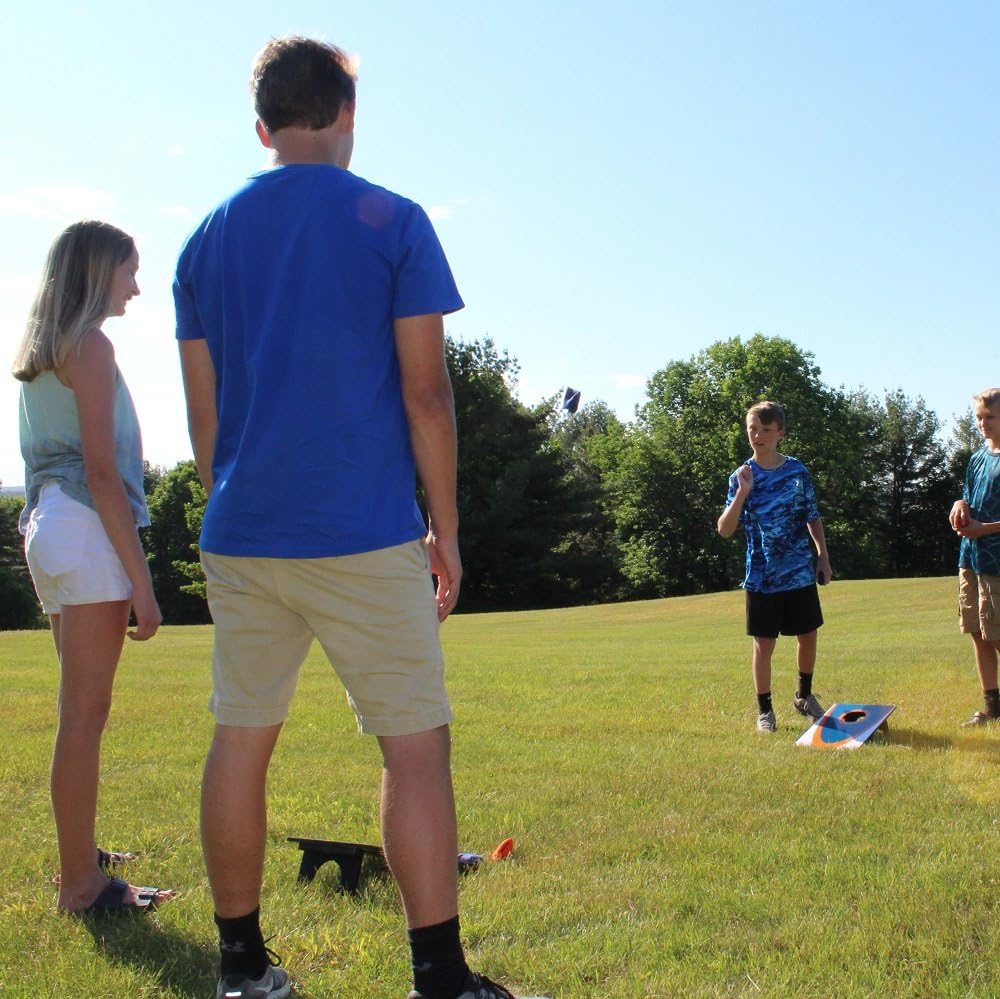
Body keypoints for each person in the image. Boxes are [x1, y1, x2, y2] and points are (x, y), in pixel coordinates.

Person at [173, 36, 549, 999]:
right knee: (413, 744)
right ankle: (439, 981)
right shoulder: (395, 220)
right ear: (347, 113)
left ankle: (240, 969)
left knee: (240, 738)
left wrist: (234, 503)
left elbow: (205, 416)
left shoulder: (203, 240)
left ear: (261, 126)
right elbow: (427, 398)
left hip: (241, 527)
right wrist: (448, 530)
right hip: (363, 527)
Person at [12, 220, 173, 914]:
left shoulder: (42, 350)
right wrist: (143, 585)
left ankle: (81, 855)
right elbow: (105, 475)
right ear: (97, 269)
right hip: (84, 529)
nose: (136, 285)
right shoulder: (92, 347)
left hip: (47, 528)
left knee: (75, 712)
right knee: (83, 715)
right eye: (128, 271)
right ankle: (81, 885)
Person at [717, 401, 833, 733]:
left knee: (808, 635)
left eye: (766, 430)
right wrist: (742, 493)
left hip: (798, 570)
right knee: (764, 644)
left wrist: (823, 557)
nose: (758, 435)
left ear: (780, 433)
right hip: (761, 576)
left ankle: (804, 696)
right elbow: (725, 530)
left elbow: (812, 516)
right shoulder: (741, 476)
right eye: (753, 429)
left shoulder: (797, 471)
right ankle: (765, 711)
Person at [948, 387, 1000, 727]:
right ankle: (992, 707)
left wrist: (985, 529)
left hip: (998, 565)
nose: (982, 423)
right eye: (979, 417)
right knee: (978, 634)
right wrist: (960, 504)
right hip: (971, 560)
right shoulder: (978, 457)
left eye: (989, 417)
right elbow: (968, 494)